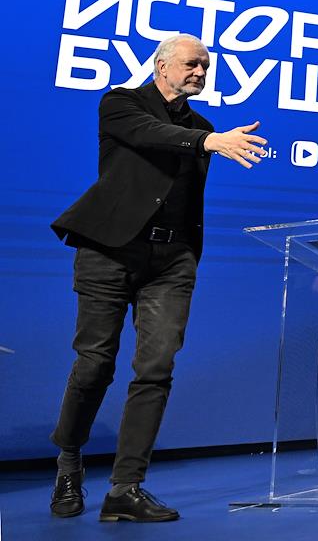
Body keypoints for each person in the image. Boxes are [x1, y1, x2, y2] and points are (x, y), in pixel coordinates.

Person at [48, 34, 267, 522]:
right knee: (95, 365)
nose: (200, 72)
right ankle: (69, 462)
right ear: (162, 66)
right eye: (192, 64)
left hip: (171, 262)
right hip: (109, 251)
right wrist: (209, 141)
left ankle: (126, 488)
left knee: (157, 367)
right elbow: (150, 135)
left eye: (205, 66)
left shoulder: (203, 127)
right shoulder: (121, 103)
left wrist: (187, 251)